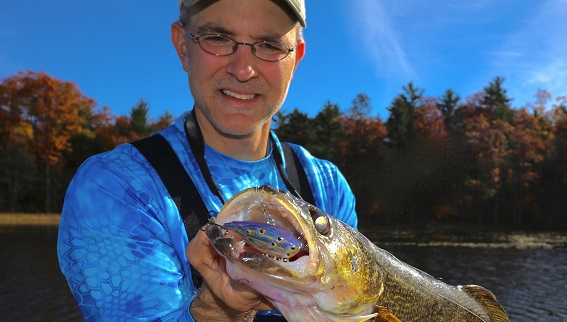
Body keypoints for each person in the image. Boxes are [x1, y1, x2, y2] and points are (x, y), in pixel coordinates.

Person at [57, 0, 358, 321]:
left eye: (269, 45)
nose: (243, 69)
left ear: (295, 59)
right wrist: (219, 310)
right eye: (218, 38)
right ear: (182, 46)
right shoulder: (115, 187)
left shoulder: (327, 186)